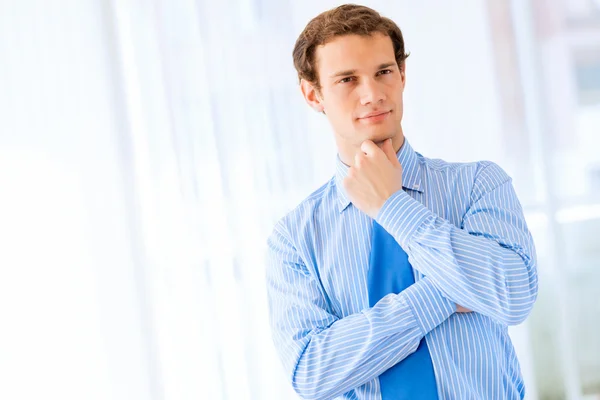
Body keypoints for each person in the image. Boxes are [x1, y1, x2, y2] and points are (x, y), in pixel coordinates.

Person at [265, 4, 538, 400]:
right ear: (313, 94)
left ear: (402, 74)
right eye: (347, 79)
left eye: (383, 72)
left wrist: (392, 207)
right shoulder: (293, 237)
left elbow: (513, 295)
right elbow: (312, 372)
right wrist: (443, 291)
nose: (372, 94)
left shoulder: (478, 184)